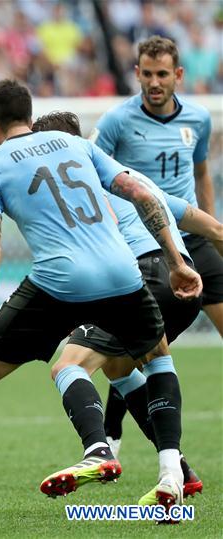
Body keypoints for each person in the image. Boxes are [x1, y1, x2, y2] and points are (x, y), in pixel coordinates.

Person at [0, 80, 202, 535]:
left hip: (60, 282)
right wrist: (176, 261)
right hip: (122, 272)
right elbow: (139, 192)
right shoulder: (74, 143)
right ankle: (171, 472)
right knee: (156, 355)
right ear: (30, 117)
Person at [33, 110, 223, 505]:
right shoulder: (132, 180)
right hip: (180, 277)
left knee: (68, 366)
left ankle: (98, 451)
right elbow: (213, 228)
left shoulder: (72, 192)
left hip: (140, 277)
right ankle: (176, 473)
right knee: (126, 366)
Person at [91, 35, 222, 453]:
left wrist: (209, 223)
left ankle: (113, 430)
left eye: (162, 74)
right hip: (145, 248)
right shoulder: (115, 122)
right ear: (137, 74)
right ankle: (112, 431)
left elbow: (201, 173)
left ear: (178, 75)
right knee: (141, 343)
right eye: (146, 74)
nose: (154, 82)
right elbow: (94, 176)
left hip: (191, 238)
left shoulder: (198, 120)